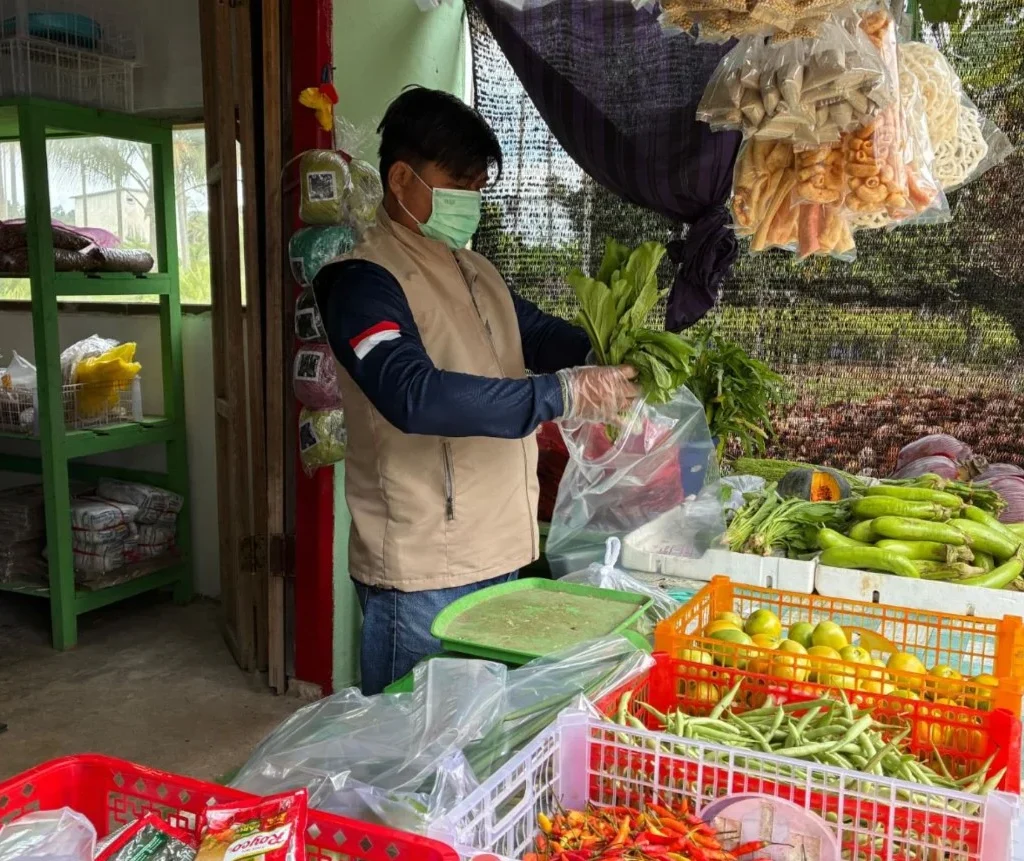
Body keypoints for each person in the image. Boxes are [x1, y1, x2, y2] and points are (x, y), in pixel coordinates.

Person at [314, 86, 637, 695]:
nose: (471, 199)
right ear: (402, 179)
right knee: (410, 752)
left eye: (478, 185)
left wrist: (620, 355)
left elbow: (540, 336)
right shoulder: (361, 279)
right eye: (457, 182)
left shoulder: (474, 268)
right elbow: (413, 396)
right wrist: (560, 395)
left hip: (504, 552)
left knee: (481, 746)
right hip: (424, 570)